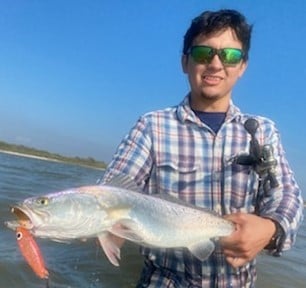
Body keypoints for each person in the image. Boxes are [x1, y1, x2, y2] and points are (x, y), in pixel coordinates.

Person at [100, 9, 304, 288]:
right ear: (185, 62)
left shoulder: (263, 131)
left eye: (230, 55)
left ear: (243, 66)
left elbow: (286, 193)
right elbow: (113, 191)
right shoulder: (151, 126)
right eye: (203, 54)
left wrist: (271, 228)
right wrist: (105, 225)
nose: (216, 64)